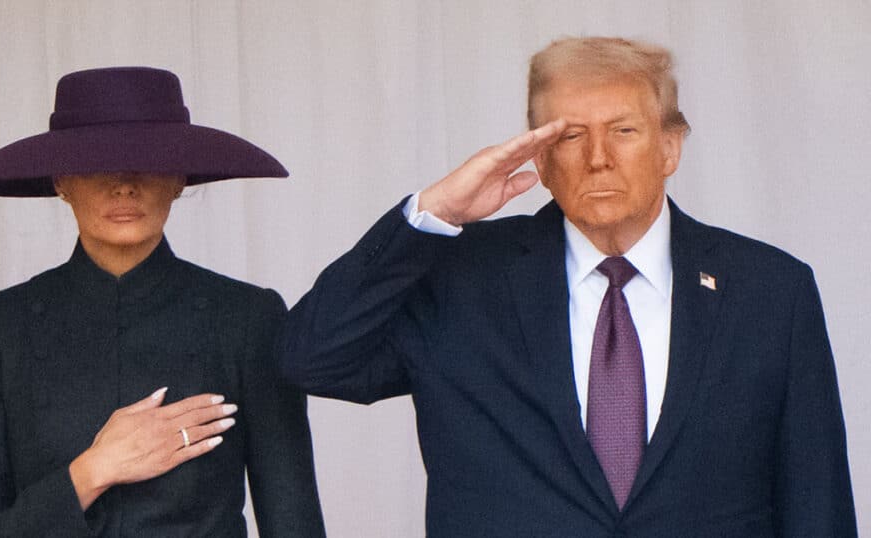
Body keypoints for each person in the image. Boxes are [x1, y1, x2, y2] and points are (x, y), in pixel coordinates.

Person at [280, 37, 856, 536]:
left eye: (623, 131)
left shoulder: (770, 291)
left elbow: (817, 500)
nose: (598, 159)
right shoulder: (460, 278)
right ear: (539, 159)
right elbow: (311, 359)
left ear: (670, 147)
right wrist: (433, 213)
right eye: (571, 136)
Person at [0, 67, 325, 537]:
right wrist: (93, 471)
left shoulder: (248, 319)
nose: (124, 184)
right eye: (97, 164)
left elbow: (294, 523)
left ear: (179, 178)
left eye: (148, 161)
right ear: (61, 181)